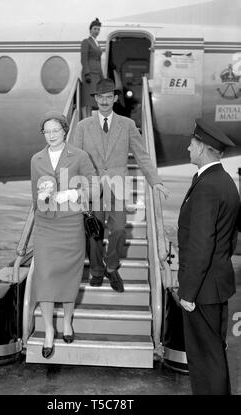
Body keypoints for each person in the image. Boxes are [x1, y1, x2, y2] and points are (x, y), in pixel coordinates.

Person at [73, 78, 169, 293]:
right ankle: (97, 270)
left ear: (115, 98)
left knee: (118, 229)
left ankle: (111, 265)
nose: (105, 101)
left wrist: (155, 181)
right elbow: (75, 159)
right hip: (92, 188)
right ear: (96, 99)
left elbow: (142, 155)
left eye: (109, 97)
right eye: (101, 97)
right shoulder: (83, 126)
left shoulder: (127, 125)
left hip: (118, 188)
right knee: (94, 233)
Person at [177, 118, 240, 395]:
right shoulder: (224, 181)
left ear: (202, 147)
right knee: (212, 355)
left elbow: (202, 244)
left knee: (205, 360)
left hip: (201, 290)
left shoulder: (207, 186)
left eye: (192, 143)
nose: (188, 147)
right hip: (215, 283)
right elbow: (229, 236)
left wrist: (188, 293)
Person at [30, 111, 99, 359]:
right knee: (45, 276)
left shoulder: (79, 156)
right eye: (46, 132)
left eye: (55, 131)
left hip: (70, 226)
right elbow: (34, 197)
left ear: (64, 131)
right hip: (46, 227)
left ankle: (68, 321)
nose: (51, 136)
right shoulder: (36, 159)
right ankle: (49, 330)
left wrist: (74, 194)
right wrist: (41, 200)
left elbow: (95, 186)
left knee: (69, 277)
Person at [80, 17, 103, 118]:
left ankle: (89, 118)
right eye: (95, 29)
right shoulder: (86, 41)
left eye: (98, 29)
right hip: (90, 74)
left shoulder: (97, 44)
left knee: (93, 100)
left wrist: (102, 77)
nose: (96, 31)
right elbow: (83, 59)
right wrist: (87, 73)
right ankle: (85, 118)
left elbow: (99, 61)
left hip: (97, 75)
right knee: (87, 100)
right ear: (90, 30)